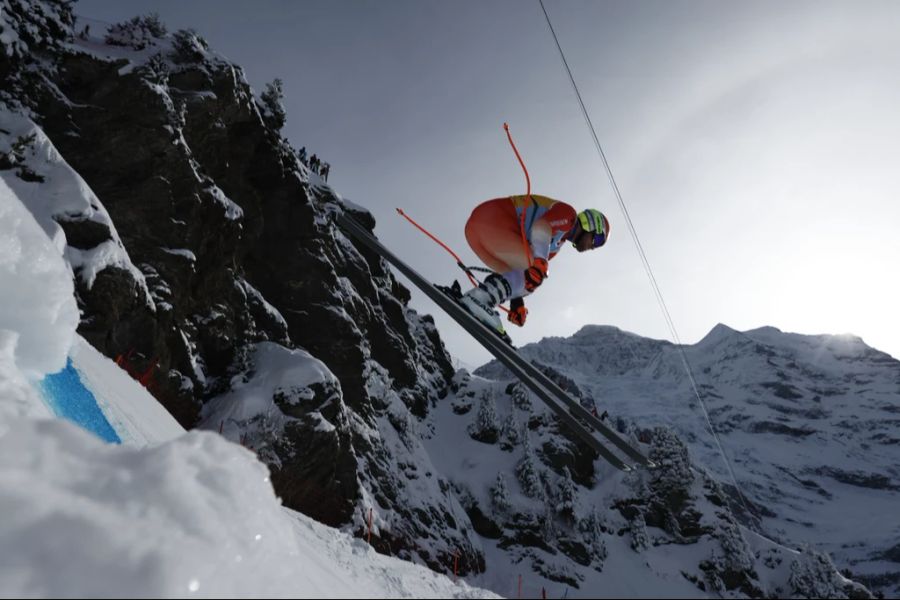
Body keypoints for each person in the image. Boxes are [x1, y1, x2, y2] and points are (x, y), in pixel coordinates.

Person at [457, 194, 609, 339]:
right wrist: (539, 263)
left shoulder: (555, 245)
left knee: (532, 274)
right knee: (535, 270)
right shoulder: (569, 215)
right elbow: (541, 226)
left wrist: (517, 301)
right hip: (492, 219)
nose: (594, 246)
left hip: (480, 234)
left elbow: (518, 271)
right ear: (592, 223)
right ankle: (478, 299)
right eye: (598, 239)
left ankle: (482, 298)